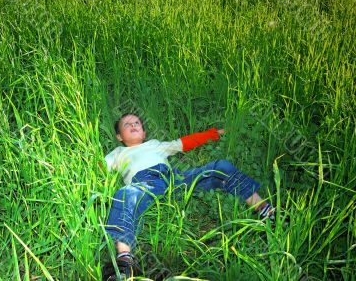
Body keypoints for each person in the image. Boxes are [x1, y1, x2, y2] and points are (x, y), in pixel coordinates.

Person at [102, 113, 278, 280]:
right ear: (119, 136)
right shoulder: (118, 153)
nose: (133, 125)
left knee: (221, 166)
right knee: (124, 194)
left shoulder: (156, 144)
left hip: (175, 179)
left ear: (144, 132)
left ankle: (266, 210)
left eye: (137, 123)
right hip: (145, 184)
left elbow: (185, 142)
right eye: (127, 124)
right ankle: (124, 261)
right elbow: (100, 167)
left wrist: (216, 133)